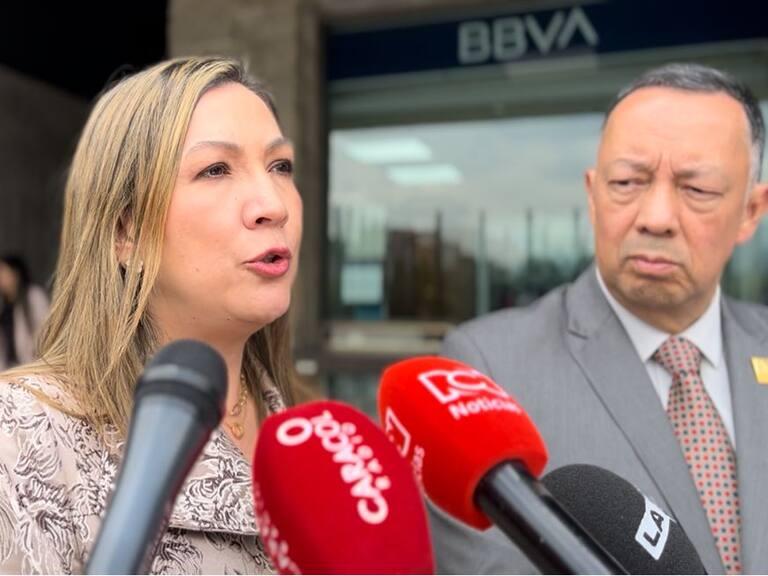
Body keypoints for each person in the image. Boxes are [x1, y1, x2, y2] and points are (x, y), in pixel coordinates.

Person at [430, 63, 768, 575]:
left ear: (750, 211)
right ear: (592, 195)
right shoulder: (485, 372)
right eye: (627, 182)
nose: (655, 218)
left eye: (697, 190)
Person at [0, 56, 303, 573]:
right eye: (215, 169)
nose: (273, 205)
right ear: (126, 232)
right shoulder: (23, 439)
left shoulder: (317, 437)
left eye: (280, 166)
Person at [0, 255, 50, 370]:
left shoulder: (34, 296)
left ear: (15, 273)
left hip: (32, 365)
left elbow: (46, 331)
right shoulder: (4, 304)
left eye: (2, 271)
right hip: (9, 369)